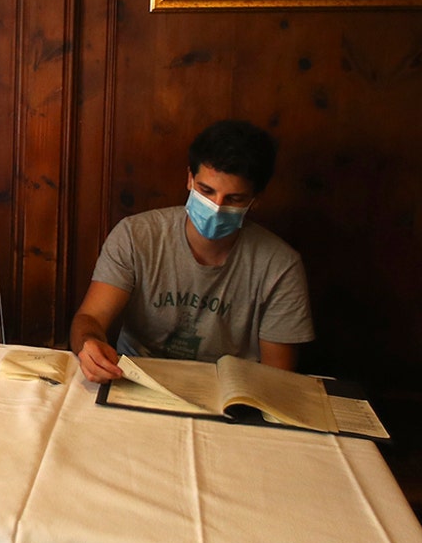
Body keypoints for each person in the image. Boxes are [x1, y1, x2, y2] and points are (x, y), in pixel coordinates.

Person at [69, 120, 313, 382]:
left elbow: (279, 376)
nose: (216, 207)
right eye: (206, 190)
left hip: (232, 391)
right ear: (189, 179)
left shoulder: (280, 265)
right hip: (138, 379)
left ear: (255, 200)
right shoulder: (135, 236)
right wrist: (89, 343)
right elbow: (90, 318)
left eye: (234, 199)